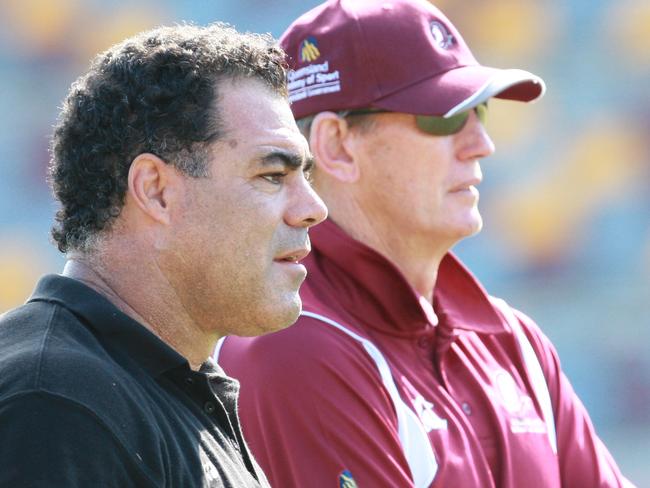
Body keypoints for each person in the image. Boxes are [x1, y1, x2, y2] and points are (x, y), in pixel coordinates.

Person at [216, 1, 635, 487]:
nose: (482, 143)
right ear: (337, 146)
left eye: (478, 110)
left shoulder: (516, 343)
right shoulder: (294, 346)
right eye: (444, 117)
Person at [0, 23, 327, 487]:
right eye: (272, 174)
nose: (314, 209)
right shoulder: (55, 403)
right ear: (156, 192)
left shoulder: (166, 385)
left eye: (306, 177)